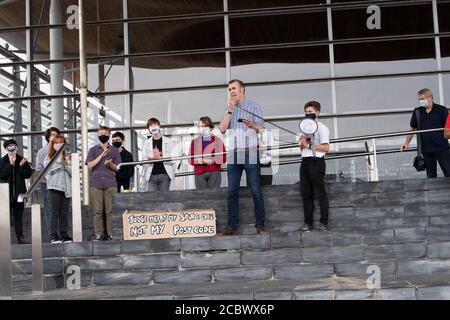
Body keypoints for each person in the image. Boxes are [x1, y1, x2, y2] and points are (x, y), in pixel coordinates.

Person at [218, 79, 266, 235]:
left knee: (256, 190)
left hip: (250, 151)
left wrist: (253, 125)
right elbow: (222, 129)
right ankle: (233, 226)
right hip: (233, 153)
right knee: (232, 191)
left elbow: (262, 129)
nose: (231, 91)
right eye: (229, 89)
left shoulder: (254, 105)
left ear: (242, 90)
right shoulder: (229, 108)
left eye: (234, 88)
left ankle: (260, 225)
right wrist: (230, 110)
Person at [400, 88, 450, 178]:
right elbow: (412, 129)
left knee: (448, 172)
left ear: (430, 97)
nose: (420, 101)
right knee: (431, 177)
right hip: (427, 149)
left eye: (422, 99)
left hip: (442, 148)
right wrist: (406, 143)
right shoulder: (417, 112)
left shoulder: (442, 110)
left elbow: (448, 128)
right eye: (419, 100)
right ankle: (433, 192)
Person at [298, 101, 330, 232]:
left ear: (317, 113)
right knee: (306, 193)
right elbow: (301, 148)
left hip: (316, 161)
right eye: (306, 112)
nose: (308, 114)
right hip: (305, 161)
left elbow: (326, 147)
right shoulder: (305, 128)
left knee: (320, 192)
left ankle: (324, 222)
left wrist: (310, 145)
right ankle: (308, 223)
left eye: (310, 112)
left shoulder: (323, 128)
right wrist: (302, 142)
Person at [85, 126, 121, 241]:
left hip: (110, 183)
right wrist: (101, 156)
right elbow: (90, 165)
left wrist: (110, 164)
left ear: (109, 135)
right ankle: (99, 234)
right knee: (97, 211)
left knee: (110, 210)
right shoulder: (93, 149)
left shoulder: (114, 150)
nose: (103, 135)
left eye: (105, 133)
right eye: (101, 133)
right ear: (98, 134)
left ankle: (110, 233)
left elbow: (117, 168)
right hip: (96, 184)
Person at [0, 139, 33, 244]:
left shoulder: (22, 159)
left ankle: (20, 236)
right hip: (6, 193)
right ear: (5, 148)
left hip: (18, 194)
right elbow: (2, 175)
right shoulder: (2, 161)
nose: (11, 147)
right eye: (9, 146)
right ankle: (4, 238)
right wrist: (11, 164)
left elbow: (27, 174)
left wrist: (22, 166)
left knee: (18, 215)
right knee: (5, 216)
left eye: (13, 145)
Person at [44, 135, 73, 243]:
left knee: (64, 213)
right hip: (54, 188)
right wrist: (60, 161)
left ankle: (63, 235)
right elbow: (48, 171)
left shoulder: (68, 157)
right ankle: (53, 236)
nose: (59, 144)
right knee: (53, 212)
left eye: (61, 142)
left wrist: (66, 162)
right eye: (57, 142)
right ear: (53, 144)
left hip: (66, 189)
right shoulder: (49, 158)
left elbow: (72, 172)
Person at [36, 126, 60, 241]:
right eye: (52, 135)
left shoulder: (61, 150)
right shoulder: (42, 151)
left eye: (56, 134)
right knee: (50, 210)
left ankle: (61, 233)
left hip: (60, 184)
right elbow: (39, 168)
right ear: (47, 137)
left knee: (60, 209)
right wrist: (48, 178)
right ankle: (52, 235)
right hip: (47, 185)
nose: (54, 137)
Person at [189, 116, 226, 189]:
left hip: (214, 171)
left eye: (204, 126)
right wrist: (197, 160)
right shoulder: (194, 142)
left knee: (214, 195)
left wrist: (212, 160)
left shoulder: (218, 141)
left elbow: (223, 158)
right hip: (199, 171)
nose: (202, 128)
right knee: (201, 196)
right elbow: (190, 159)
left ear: (211, 128)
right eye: (200, 126)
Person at [141, 118, 175, 191]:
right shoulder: (146, 142)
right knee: (153, 199)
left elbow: (173, 158)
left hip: (165, 174)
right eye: (151, 125)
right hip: (151, 175)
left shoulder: (168, 141)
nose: (153, 127)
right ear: (148, 129)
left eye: (155, 124)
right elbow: (144, 158)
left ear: (159, 126)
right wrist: (150, 159)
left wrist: (161, 158)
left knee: (164, 198)